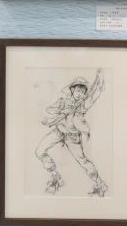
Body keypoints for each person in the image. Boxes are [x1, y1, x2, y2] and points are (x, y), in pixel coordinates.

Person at [35, 69, 108, 197]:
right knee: (40, 151)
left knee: (83, 161)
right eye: (78, 90)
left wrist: (100, 79)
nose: (80, 94)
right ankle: (56, 177)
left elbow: (94, 94)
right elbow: (49, 110)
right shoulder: (63, 101)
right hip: (58, 131)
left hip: (73, 137)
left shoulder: (83, 105)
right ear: (72, 90)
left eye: (83, 91)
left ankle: (100, 184)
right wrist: (57, 114)